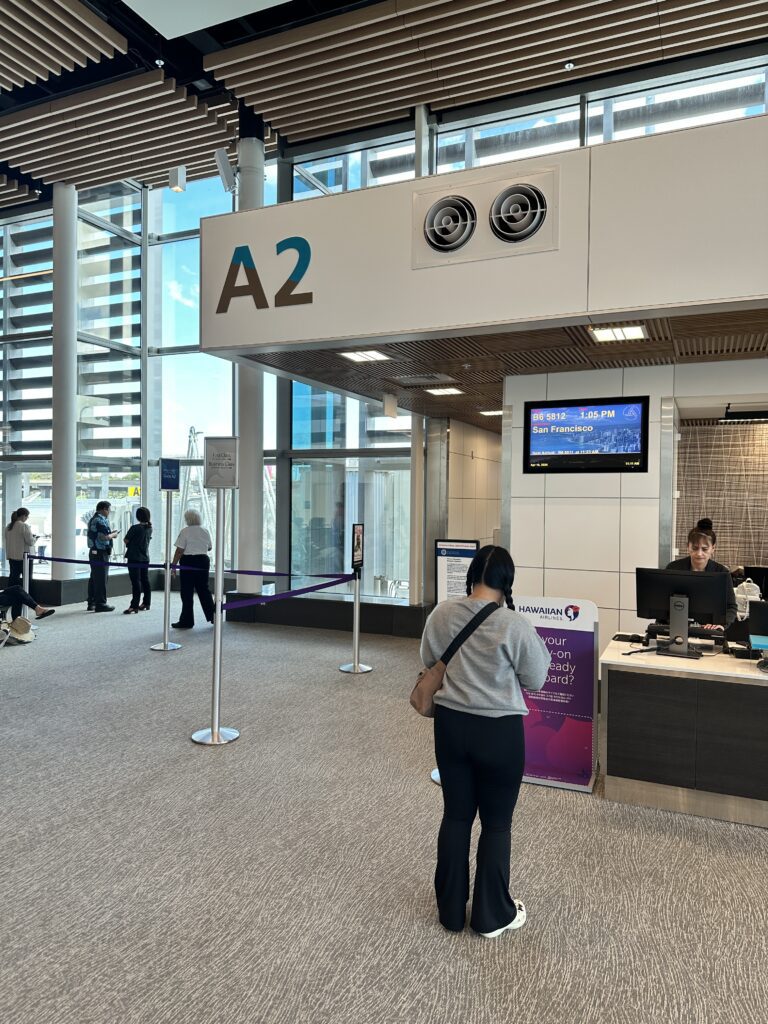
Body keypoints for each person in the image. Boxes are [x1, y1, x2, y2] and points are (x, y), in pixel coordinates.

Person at [419, 545, 550, 938]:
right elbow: (537, 679)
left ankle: (451, 913)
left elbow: (428, 659)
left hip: (451, 727)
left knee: (456, 815)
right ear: (506, 583)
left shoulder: (441, 614)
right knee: (496, 824)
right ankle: (492, 916)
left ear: (471, 575)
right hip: (499, 733)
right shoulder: (514, 625)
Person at [666, 517, 737, 629]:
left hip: (708, 630)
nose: (699, 554)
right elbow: (663, 603)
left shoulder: (722, 573)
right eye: (695, 548)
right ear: (688, 547)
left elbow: (731, 607)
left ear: (713, 549)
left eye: (704, 549)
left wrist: (722, 624)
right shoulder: (673, 568)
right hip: (675, 627)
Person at [170, 509, 214, 629]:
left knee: (187, 592)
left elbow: (179, 550)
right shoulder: (205, 530)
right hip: (203, 561)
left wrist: (173, 565)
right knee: (204, 589)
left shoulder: (185, 531)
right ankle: (213, 616)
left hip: (188, 561)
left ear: (187, 519)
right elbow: (209, 548)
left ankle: (187, 621)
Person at [87, 500, 119, 613]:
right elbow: (103, 537)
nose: (109, 512)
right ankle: (101, 603)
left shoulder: (94, 519)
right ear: (104, 509)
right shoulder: (99, 520)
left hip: (94, 552)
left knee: (94, 577)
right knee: (101, 578)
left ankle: (91, 602)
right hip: (100, 552)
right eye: (109, 510)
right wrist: (113, 535)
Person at [4, 508, 36, 619]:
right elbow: (30, 541)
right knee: (27, 583)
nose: (27, 518)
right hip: (24, 559)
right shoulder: (24, 526)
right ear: (24, 516)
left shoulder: (8, 527)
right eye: (27, 516)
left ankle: (12, 610)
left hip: (12, 558)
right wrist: (35, 538)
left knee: (13, 584)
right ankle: (28, 605)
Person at [123, 507, 153, 614]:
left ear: (137, 516)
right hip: (145, 557)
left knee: (135, 582)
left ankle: (134, 606)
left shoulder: (135, 528)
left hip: (134, 557)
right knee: (145, 580)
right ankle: (146, 602)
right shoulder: (149, 528)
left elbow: (126, 540)